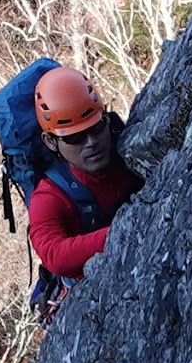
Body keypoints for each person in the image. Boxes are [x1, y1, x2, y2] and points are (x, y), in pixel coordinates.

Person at [21, 63, 140, 317]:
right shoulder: (50, 196)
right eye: (74, 138)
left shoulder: (129, 145)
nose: (91, 143)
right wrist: (127, 228)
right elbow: (54, 255)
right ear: (50, 142)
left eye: (96, 128)